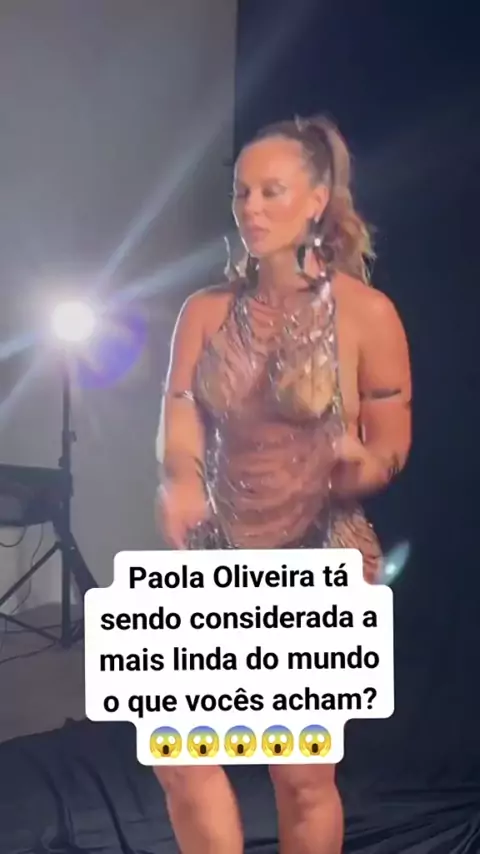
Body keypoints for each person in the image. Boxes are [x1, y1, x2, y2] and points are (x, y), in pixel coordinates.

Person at [154, 115, 412, 854]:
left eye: (272, 191)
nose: (252, 207)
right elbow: (181, 411)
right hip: (216, 550)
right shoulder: (204, 311)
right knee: (180, 757)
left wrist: (365, 464)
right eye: (242, 192)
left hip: (318, 553)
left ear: (317, 200)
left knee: (299, 775)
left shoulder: (366, 314)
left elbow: (392, 441)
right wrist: (179, 478)